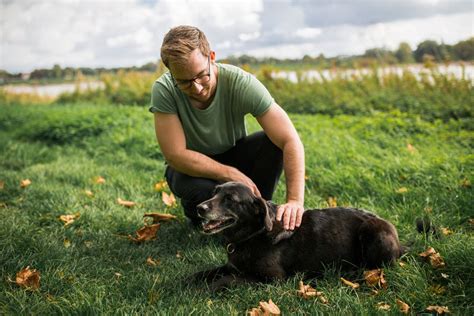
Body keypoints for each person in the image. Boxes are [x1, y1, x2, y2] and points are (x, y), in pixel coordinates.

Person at [150, 25, 305, 230]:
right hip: (191, 170)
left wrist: (295, 200)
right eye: (184, 82)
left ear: (211, 56)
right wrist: (228, 174)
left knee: (271, 142)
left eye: (201, 75)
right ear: (171, 73)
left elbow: (289, 139)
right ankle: (198, 213)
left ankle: (257, 210)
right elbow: (175, 155)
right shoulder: (164, 90)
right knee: (203, 191)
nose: (196, 88)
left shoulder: (241, 83)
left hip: (235, 153)